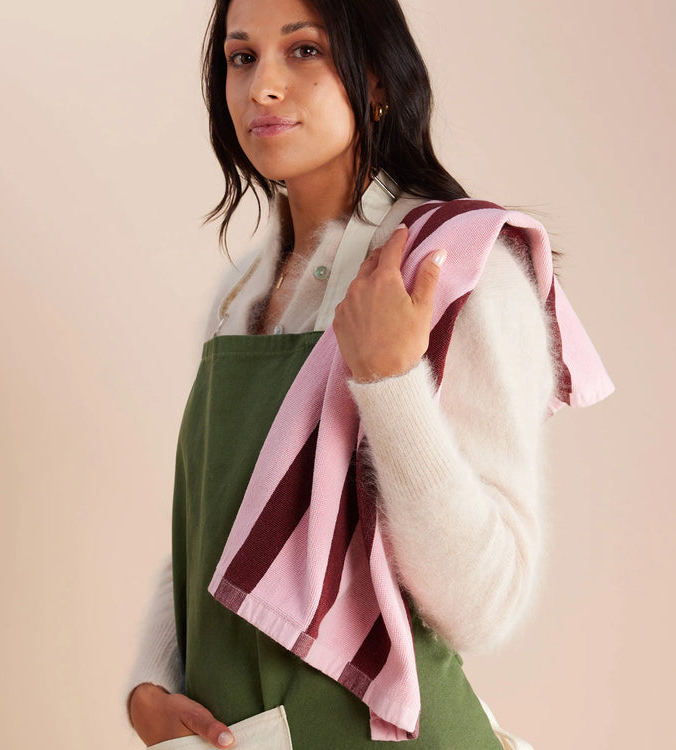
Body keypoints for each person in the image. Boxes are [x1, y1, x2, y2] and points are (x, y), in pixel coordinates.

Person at [125, 0, 612, 748]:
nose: (263, 88)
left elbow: (488, 603)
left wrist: (390, 385)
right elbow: (217, 535)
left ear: (378, 78)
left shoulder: (460, 273)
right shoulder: (240, 296)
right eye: (242, 57)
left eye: (305, 52)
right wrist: (150, 684)